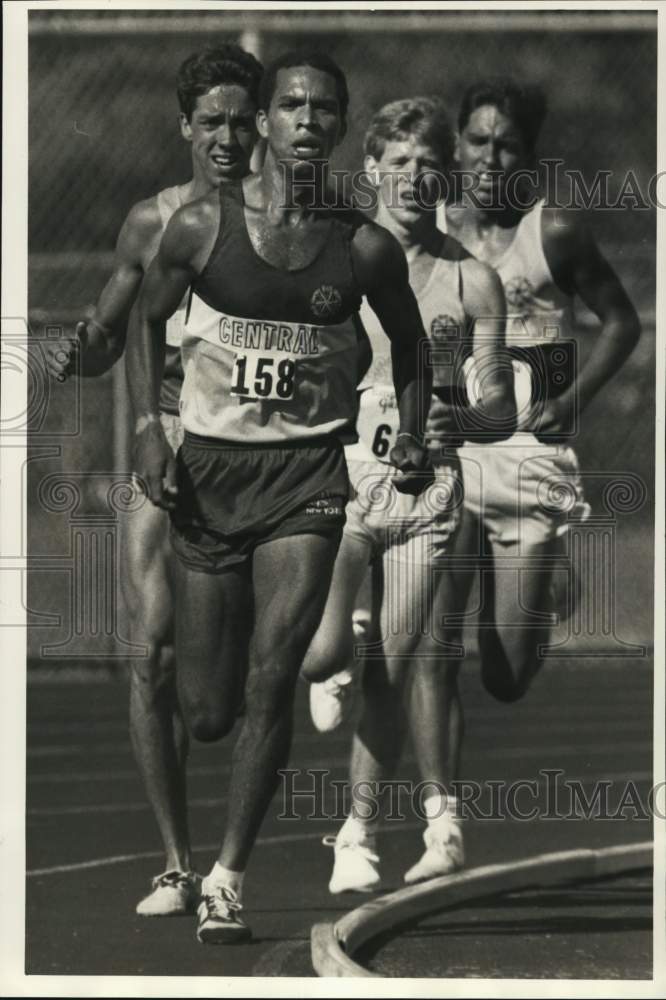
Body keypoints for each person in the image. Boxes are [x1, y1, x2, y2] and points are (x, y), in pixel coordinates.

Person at [133, 51, 435, 945]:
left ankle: (228, 877)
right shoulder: (199, 228)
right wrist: (151, 430)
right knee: (209, 709)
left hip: (306, 479)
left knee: (273, 675)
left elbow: (412, 347)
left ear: (341, 127)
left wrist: (414, 429)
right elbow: (149, 321)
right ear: (263, 121)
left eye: (324, 107)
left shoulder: (362, 245)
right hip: (212, 482)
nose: (306, 119)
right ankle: (208, 855)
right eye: (290, 104)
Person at [46, 45, 263, 916]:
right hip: (169, 441)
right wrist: (76, 352)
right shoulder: (154, 220)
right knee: (152, 657)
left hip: (263, 453)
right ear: (185, 128)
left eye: (242, 120)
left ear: (266, 127)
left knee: (246, 682)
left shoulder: (300, 219)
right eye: (210, 121)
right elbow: (108, 330)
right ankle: (179, 863)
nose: (227, 136)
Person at [302, 97, 515, 892]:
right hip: (337, 474)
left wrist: (446, 418)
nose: (413, 179)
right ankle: (333, 644)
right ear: (372, 171)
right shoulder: (336, 259)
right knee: (322, 652)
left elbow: (500, 406)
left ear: (446, 178)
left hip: (425, 486)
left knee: (395, 668)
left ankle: (356, 834)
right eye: (397, 164)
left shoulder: (473, 280)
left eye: (429, 165)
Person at [437, 77, 640, 703]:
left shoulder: (552, 230)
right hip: (453, 446)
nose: (490, 158)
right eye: (478, 141)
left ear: (528, 156)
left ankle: (543, 584)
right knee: (431, 636)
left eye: (507, 145)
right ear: (457, 145)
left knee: (506, 678)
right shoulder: (431, 231)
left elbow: (622, 323)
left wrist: (571, 400)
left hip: (526, 455)